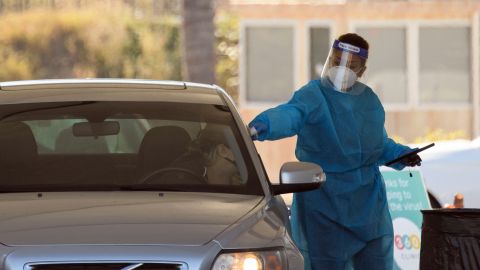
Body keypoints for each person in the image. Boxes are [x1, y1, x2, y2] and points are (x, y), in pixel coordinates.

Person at [249, 33, 421, 270]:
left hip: (368, 204)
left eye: (352, 65)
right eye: (338, 61)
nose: (343, 69)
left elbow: (378, 145)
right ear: (330, 59)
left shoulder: (368, 101)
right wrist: (261, 127)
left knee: (375, 262)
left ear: (362, 70)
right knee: (326, 262)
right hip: (324, 199)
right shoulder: (313, 95)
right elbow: (289, 114)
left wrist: (403, 154)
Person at [161, 124, 242, 186]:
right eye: (241, 148)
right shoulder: (182, 179)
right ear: (222, 150)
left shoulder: (237, 181)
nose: (244, 155)